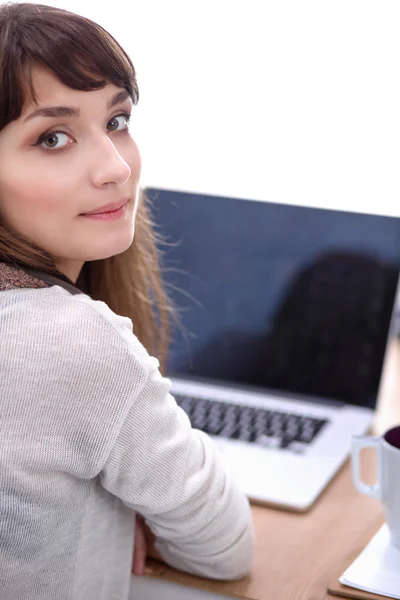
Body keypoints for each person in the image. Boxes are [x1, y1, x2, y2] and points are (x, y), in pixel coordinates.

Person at [0, 3, 254, 599]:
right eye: (54, 137)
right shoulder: (62, 339)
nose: (116, 168)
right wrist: (128, 500)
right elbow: (226, 550)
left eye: (117, 120)